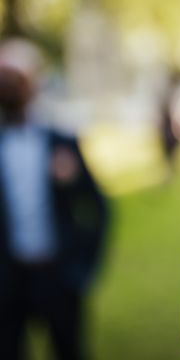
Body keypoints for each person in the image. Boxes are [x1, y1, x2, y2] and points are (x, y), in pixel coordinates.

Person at [0, 39, 110, 360]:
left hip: (58, 275)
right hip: (10, 280)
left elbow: (98, 206)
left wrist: (85, 267)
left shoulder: (61, 142)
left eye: (14, 77)